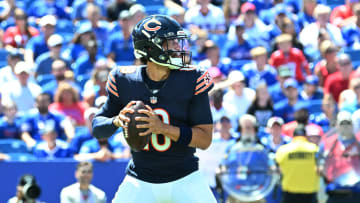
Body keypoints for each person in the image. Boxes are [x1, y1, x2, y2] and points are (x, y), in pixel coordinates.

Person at [92, 15, 216, 202]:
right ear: (150, 48)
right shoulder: (124, 79)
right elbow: (97, 128)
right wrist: (117, 121)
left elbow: (205, 139)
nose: (178, 48)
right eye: (171, 43)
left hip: (186, 177)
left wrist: (162, 128)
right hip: (140, 179)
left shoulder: (192, 78)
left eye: (178, 42)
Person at [318, 111, 360, 203]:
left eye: (348, 123)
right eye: (342, 124)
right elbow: (319, 162)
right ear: (337, 125)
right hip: (334, 193)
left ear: (352, 125)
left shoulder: (358, 143)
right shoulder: (328, 143)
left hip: (356, 194)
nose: (345, 127)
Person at [275, 124, 320, 203]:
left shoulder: (283, 150)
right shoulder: (315, 149)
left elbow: (278, 169)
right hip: (309, 195)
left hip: (289, 195)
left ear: (293, 136)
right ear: (306, 135)